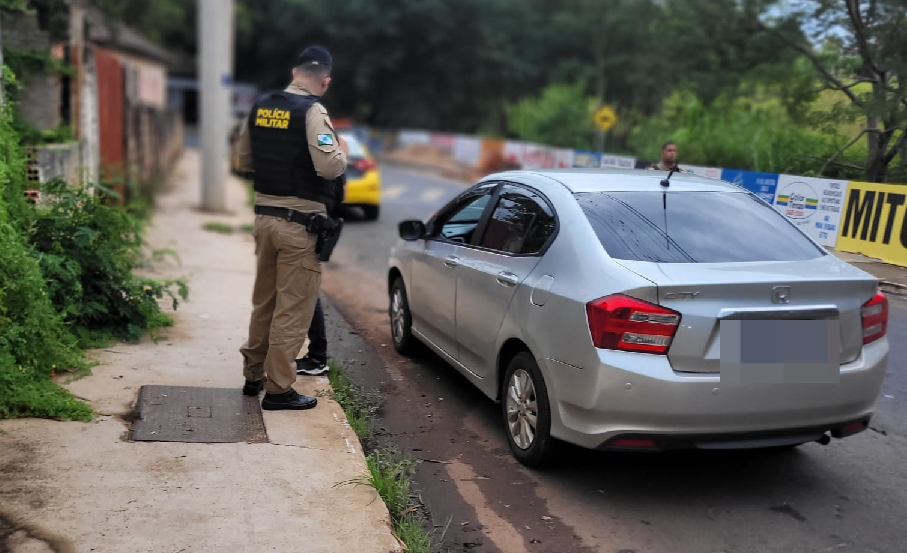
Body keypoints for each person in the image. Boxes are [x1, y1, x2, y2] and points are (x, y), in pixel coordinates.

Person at [236, 45, 348, 410]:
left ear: (294, 70)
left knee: (264, 302)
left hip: (264, 220)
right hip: (299, 226)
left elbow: (243, 160)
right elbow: (330, 167)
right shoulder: (313, 111)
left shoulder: (261, 106)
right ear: (325, 81)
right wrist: (341, 152)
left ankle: (253, 376)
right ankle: (280, 389)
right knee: (292, 309)